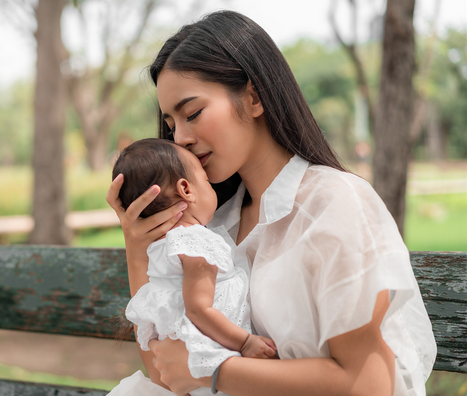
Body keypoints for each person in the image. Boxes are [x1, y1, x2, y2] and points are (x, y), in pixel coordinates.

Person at [106, 10, 436, 396]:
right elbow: (166, 376)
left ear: (254, 96)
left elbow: (369, 384)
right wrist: (139, 248)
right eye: (171, 124)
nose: (180, 139)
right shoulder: (215, 225)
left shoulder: (333, 204)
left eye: (192, 113)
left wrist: (217, 372)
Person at [108, 138, 277, 396]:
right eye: (206, 181)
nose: (212, 186)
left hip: (188, 377)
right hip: (210, 363)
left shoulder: (159, 250)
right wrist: (245, 342)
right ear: (186, 189)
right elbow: (198, 309)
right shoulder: (197, 242)